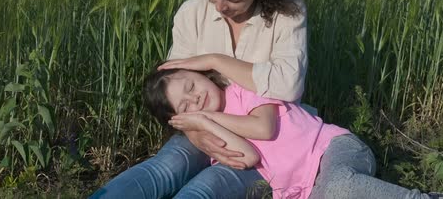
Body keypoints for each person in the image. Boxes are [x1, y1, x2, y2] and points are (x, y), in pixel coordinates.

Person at [91, 0, 307, 198]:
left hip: (266, 139)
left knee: (205, 188)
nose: (219, 7)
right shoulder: (192, 13)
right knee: (167, 167)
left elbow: (288, 86)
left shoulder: (286, 14)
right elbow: (174, 86)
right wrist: (198, 132)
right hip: (200, 126)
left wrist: (216, 60)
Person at [143, 54, 439, 199]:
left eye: (191, 85)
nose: (196, 97)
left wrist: (208, 117)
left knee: (339, 187)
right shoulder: (210, 133)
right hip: (308, 190)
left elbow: (264, 128)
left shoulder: (245, 88)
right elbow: (248, 157)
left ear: (201, 72)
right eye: (186, 107)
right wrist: (205, 124)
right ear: (181, 120)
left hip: (334, 151)